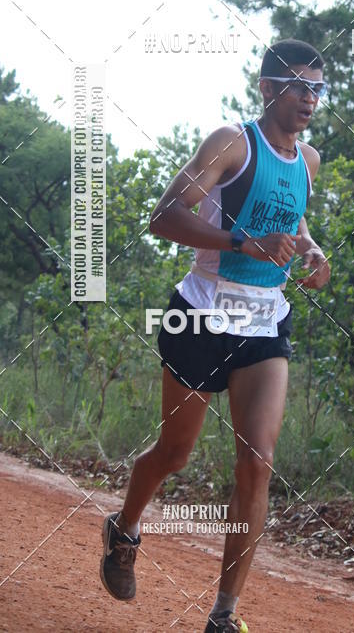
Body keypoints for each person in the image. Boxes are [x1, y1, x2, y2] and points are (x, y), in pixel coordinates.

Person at [100, 39, 331, 632]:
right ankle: (124, 528)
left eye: (317, 88)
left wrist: (309, 246)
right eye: (296, 86)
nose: (308, 98)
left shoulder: (308, 161)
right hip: (201, 315)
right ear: (266, 88)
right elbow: (164, 215)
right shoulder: (231, 142)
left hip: (263, 320)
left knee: (257, 462)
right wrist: (241, 242)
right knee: (175, 454)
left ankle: (223, 617)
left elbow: (292, 211)